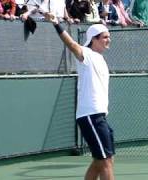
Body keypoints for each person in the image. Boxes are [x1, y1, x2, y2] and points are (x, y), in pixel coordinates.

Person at [44, 12, 115, 180]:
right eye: (105, 37)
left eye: (108, 36)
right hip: (90, 116)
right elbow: (71, 44)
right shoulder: (86, 54)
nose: (108, 40)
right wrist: (56, 23)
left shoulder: (100, 58)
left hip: (99, 116)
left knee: (104, 159)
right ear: (94, 39)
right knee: (105, 162)